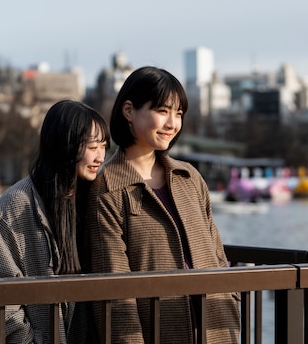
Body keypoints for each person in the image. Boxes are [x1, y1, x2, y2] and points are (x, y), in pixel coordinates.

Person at [85, 66, 240, 343]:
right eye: (162, 111)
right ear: (129, 111)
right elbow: (113, 288)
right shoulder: (107, 188)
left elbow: (217, 255)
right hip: (156, 331)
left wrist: (231, 300)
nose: (172, 123)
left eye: (178, 113)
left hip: (216, 328)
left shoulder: (189, 177)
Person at [0, 99, 109, 344]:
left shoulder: (93, 199)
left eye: (104, 146)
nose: (100, 156)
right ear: (64, 144)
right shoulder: (15, 204)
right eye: (92, 146)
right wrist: (27, 340)